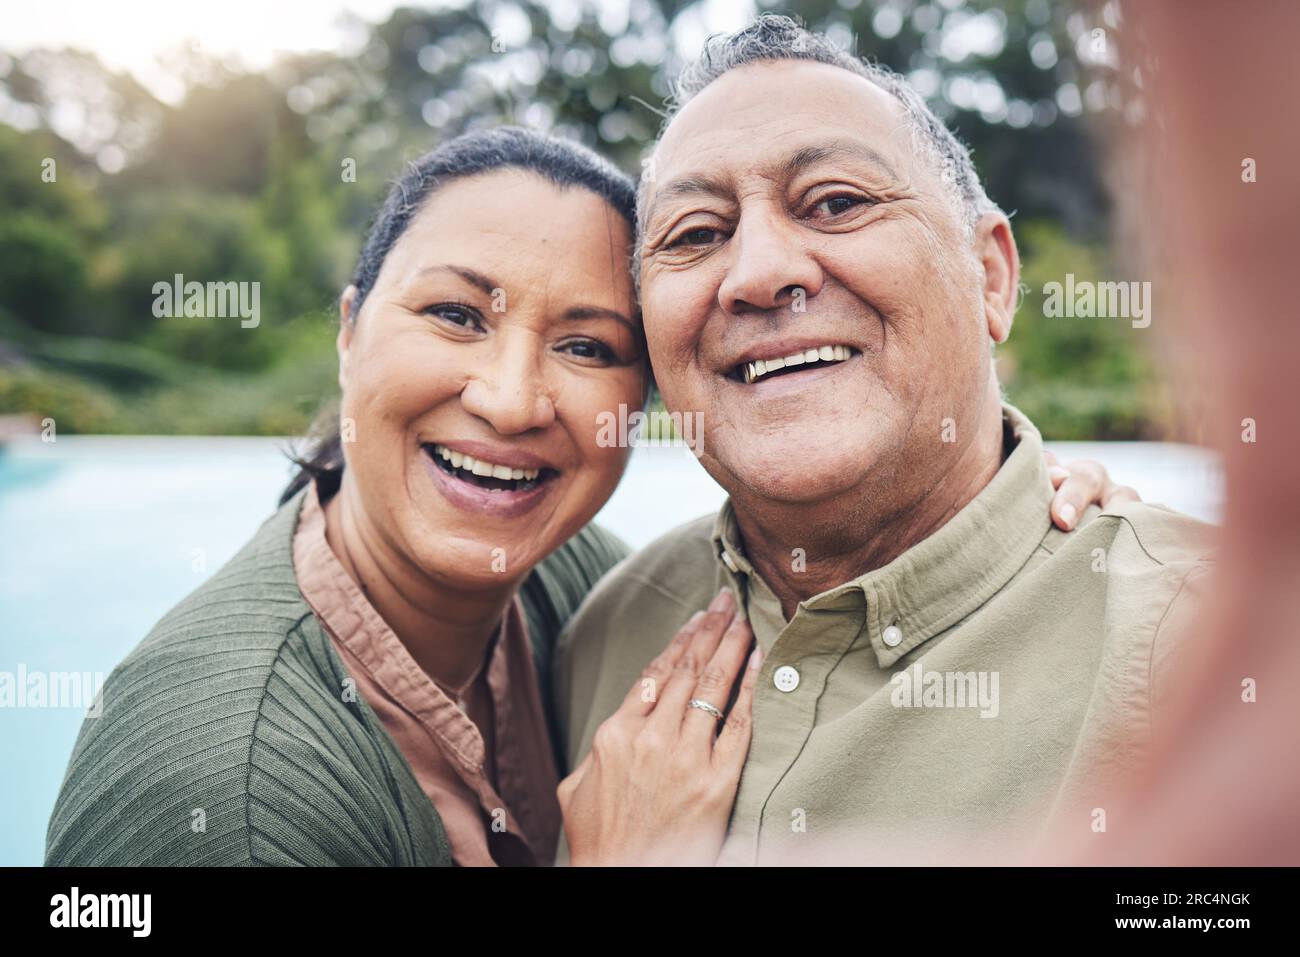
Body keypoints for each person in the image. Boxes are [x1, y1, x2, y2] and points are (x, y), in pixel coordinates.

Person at [45, 125, 1131, 867]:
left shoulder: (556, 573)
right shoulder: (228, 794)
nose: (514, 401)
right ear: (347, 332)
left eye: (585, 344)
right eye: (457, 316)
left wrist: (993, 501)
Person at [554, 16, 1210, 866]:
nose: (757, 273)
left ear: (991, 276)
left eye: (836, 202)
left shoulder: (1209, 649)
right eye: (696, 235)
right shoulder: (601, 629)